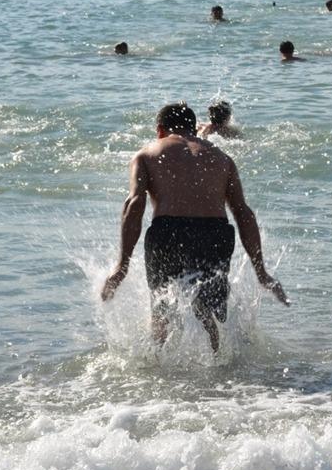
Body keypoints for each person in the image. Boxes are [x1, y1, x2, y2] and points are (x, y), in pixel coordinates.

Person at [101, 103, 288, 352]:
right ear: (193, 128)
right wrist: (261, 272)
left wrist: (121, 268)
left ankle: (160, 369)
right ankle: (221, 371)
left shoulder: (146, 154)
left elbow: (135, 205)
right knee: (211, 315)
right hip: (214, 233)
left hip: (168, 232)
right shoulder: (223, 159)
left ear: (160, 130)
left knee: (161, 311)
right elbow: (243, 213)